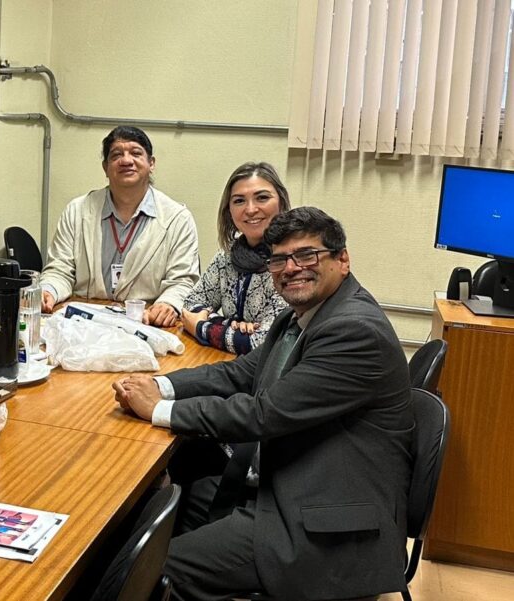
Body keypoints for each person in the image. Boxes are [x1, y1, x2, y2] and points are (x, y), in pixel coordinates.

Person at [112, 207, 412, 600]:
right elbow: (236, 374)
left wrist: (158, 410)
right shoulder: (303, 316)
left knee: (149, 568)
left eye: (306, 255)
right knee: (162, 505)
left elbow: (264, 413)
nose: (291, 268)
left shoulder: (353, 330)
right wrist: (159, 385)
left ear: (342, 259)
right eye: (279, 260)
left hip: (324, 525)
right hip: (290, 481)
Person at [39, 126, 200, 326]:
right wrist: (48, 290)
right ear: (105, 167)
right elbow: (60, 270)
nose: (126, 160)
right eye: (116, 155)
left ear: (151, 164)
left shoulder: (178, 218)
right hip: (84, 322)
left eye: (135, 153)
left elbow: (183, 281)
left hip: (145, 323)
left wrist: (169, 303)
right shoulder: (77, 211)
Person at [181, 162, 290, 355]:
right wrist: (230, 325)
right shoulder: (228, 255)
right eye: (239, 201)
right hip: (227, 363)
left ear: (281, 202)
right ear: (229, 211)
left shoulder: (291, 262)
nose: (250, 209)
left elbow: (263, 343)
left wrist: (202, 328)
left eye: (262, 198)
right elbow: (191, 304)